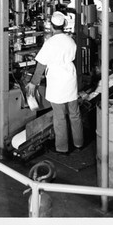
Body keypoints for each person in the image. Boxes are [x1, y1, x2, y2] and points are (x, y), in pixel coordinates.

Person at [27, 11, 83, 155]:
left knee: (60, 117)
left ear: (51, 26)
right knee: (75, 114)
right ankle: (78, 143)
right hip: (70, 78)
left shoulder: (50, 43)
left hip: (57, 80)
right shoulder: (71, 40)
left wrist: (34, 83)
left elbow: (41, 66)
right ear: (64, 25)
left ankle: (62, 147)